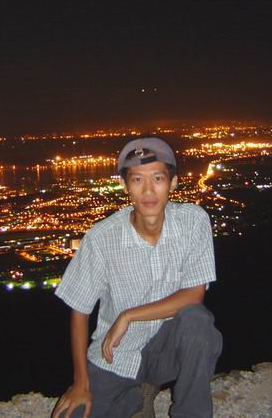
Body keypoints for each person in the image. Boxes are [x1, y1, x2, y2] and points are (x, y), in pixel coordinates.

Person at [52, 137, 223, 418]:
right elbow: (79, 310)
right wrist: (80, 383)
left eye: (158, 178)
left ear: (173, 183)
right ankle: (136, 396)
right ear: (125, 186)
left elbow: (194, 295)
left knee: (198, 322)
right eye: (137, 179)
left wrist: (128, 316)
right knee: (72, 414)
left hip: (168, 349)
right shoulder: (102, 238)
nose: (148, 190)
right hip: (115, 355)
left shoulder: (193, 221)